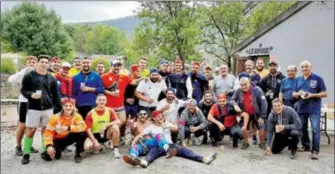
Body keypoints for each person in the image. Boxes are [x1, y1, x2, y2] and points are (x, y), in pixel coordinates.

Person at [132, 111, 217, 168]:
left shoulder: (166, 123)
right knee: (152, 153)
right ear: (154, 118)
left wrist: (168, 126)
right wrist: (134, 142)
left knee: (186, 151)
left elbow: (176, 128)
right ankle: (145, 162)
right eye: (158, 117)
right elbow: (140, 135)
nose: (161, 118)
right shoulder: (151, 127)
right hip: (158, 145)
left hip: (170, 145)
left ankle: (204, 159)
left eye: (161, 116)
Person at [20, 55, 62, 164]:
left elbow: (56, 95)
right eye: (42, 62)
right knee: (31, 130)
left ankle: (45, 151)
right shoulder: (29, 76)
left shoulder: (51, 78)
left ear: (48, 64)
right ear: (38, 63)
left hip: (48, 108)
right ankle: (26, 153)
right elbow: (23, 90)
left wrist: (59, 109)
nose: (44, 64)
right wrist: (31, 95)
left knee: (46, 130)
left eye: (45, 62)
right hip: (34, 107)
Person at [293, 60, 327, 160]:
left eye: (306, 66)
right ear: (300, 69)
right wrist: (298, 94)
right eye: (302, 67)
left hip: (314, 108)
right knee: (302, 128)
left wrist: (312, 95)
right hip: (301, 108)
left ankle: (315, 151)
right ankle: (306, 146)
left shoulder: (318, 78)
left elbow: (324, 93)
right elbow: (293, 94)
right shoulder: (298, 79)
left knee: (315, 130)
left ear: (310, 67)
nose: (304, 68)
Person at [102, 59, 140, 140]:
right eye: (114, 66)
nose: (116, 67)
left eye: (118, 66)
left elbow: (133, 82)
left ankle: (110, 136)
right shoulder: (105, 76)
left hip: (120, 104)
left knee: (122, 121)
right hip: (109, 105)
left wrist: (143, 79)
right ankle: (109, 139)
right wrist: (110, 93)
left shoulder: (124, 76)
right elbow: (100, 88)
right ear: (111, 66)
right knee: (110, 122)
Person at [8, 56, 39, 156]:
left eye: (33, 62)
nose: (31, 63)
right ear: (26, 64)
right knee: (22, 125)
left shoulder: (38, 74)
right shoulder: (23, 73)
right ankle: (18, 146)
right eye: (29, 62)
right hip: (24, 102)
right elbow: (11, 80)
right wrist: (23, 71)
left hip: (35, 102)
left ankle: (28, 145)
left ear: (36, 63)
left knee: (32, 126)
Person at [43, 98, 87, 163]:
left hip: (68, 138)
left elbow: (83, 127)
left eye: (70, 106)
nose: (68, 108)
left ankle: (78, 154)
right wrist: (49, 145)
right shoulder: (54, 117)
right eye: (66, 105)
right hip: (57, 140)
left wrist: (68, 128)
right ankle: (56, 150)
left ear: (74, 107)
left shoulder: (77, 116)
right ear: (62, 106)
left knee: (81, 133)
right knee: (49, 157)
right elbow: (48, 132)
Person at [231, 77, 268, 150]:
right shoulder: (238, 91)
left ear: (249, 83)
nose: (243, 87)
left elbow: (264, 103)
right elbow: (232, 100)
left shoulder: (257, 90)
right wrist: (235, 105)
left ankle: (262, 143)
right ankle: (246, 142)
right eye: (242, 85)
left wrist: (263, 116)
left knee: (262, 126)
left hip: (257, 113)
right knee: (243, 127)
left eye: (245, 84)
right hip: (245, 113)